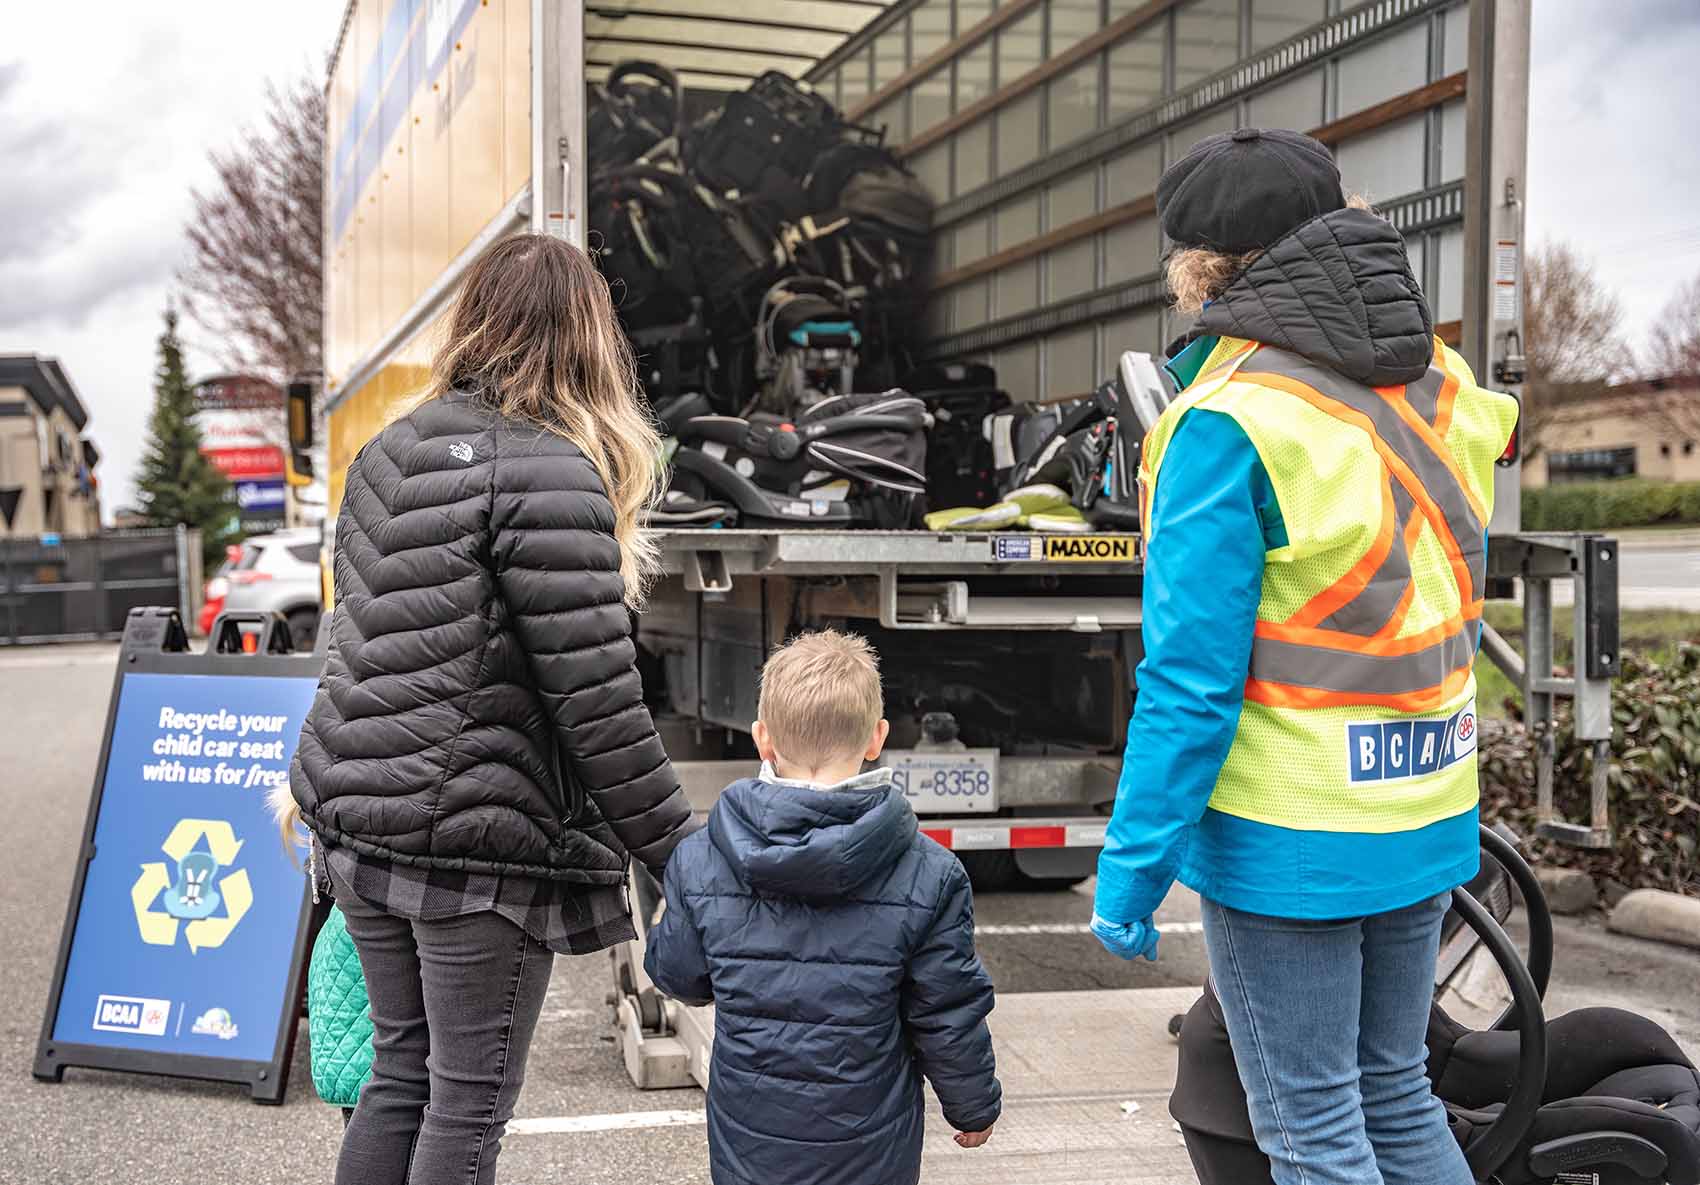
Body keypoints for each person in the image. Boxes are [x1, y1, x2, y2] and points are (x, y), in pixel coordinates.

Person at [1090, 128, 1518, 1185]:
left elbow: (1189, 683)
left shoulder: (1226, 423)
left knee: (1311, 1128)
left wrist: (1132, 873)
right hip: (1422, 798)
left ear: (1196, 269)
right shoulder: (1442, 384)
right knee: (1394, 1094)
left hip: (1294, 835)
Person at [282, 232, 696, 1185]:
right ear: (589, 340)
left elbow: (360, 639)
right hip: (476, 848)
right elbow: (598, 705)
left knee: (400, 1077)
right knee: (465, 1106)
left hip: (358, 822)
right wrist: (683, 855)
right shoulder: (551, 470)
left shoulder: (390, 450)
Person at [644, 629, 1002, 1185]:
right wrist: (972, 1103)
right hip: (871, 1141)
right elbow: (946, 1009)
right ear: (876, 738)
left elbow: (681, 977)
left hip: (751, 1138)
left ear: (763, 739)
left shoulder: (702, 859)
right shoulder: (929, 872)